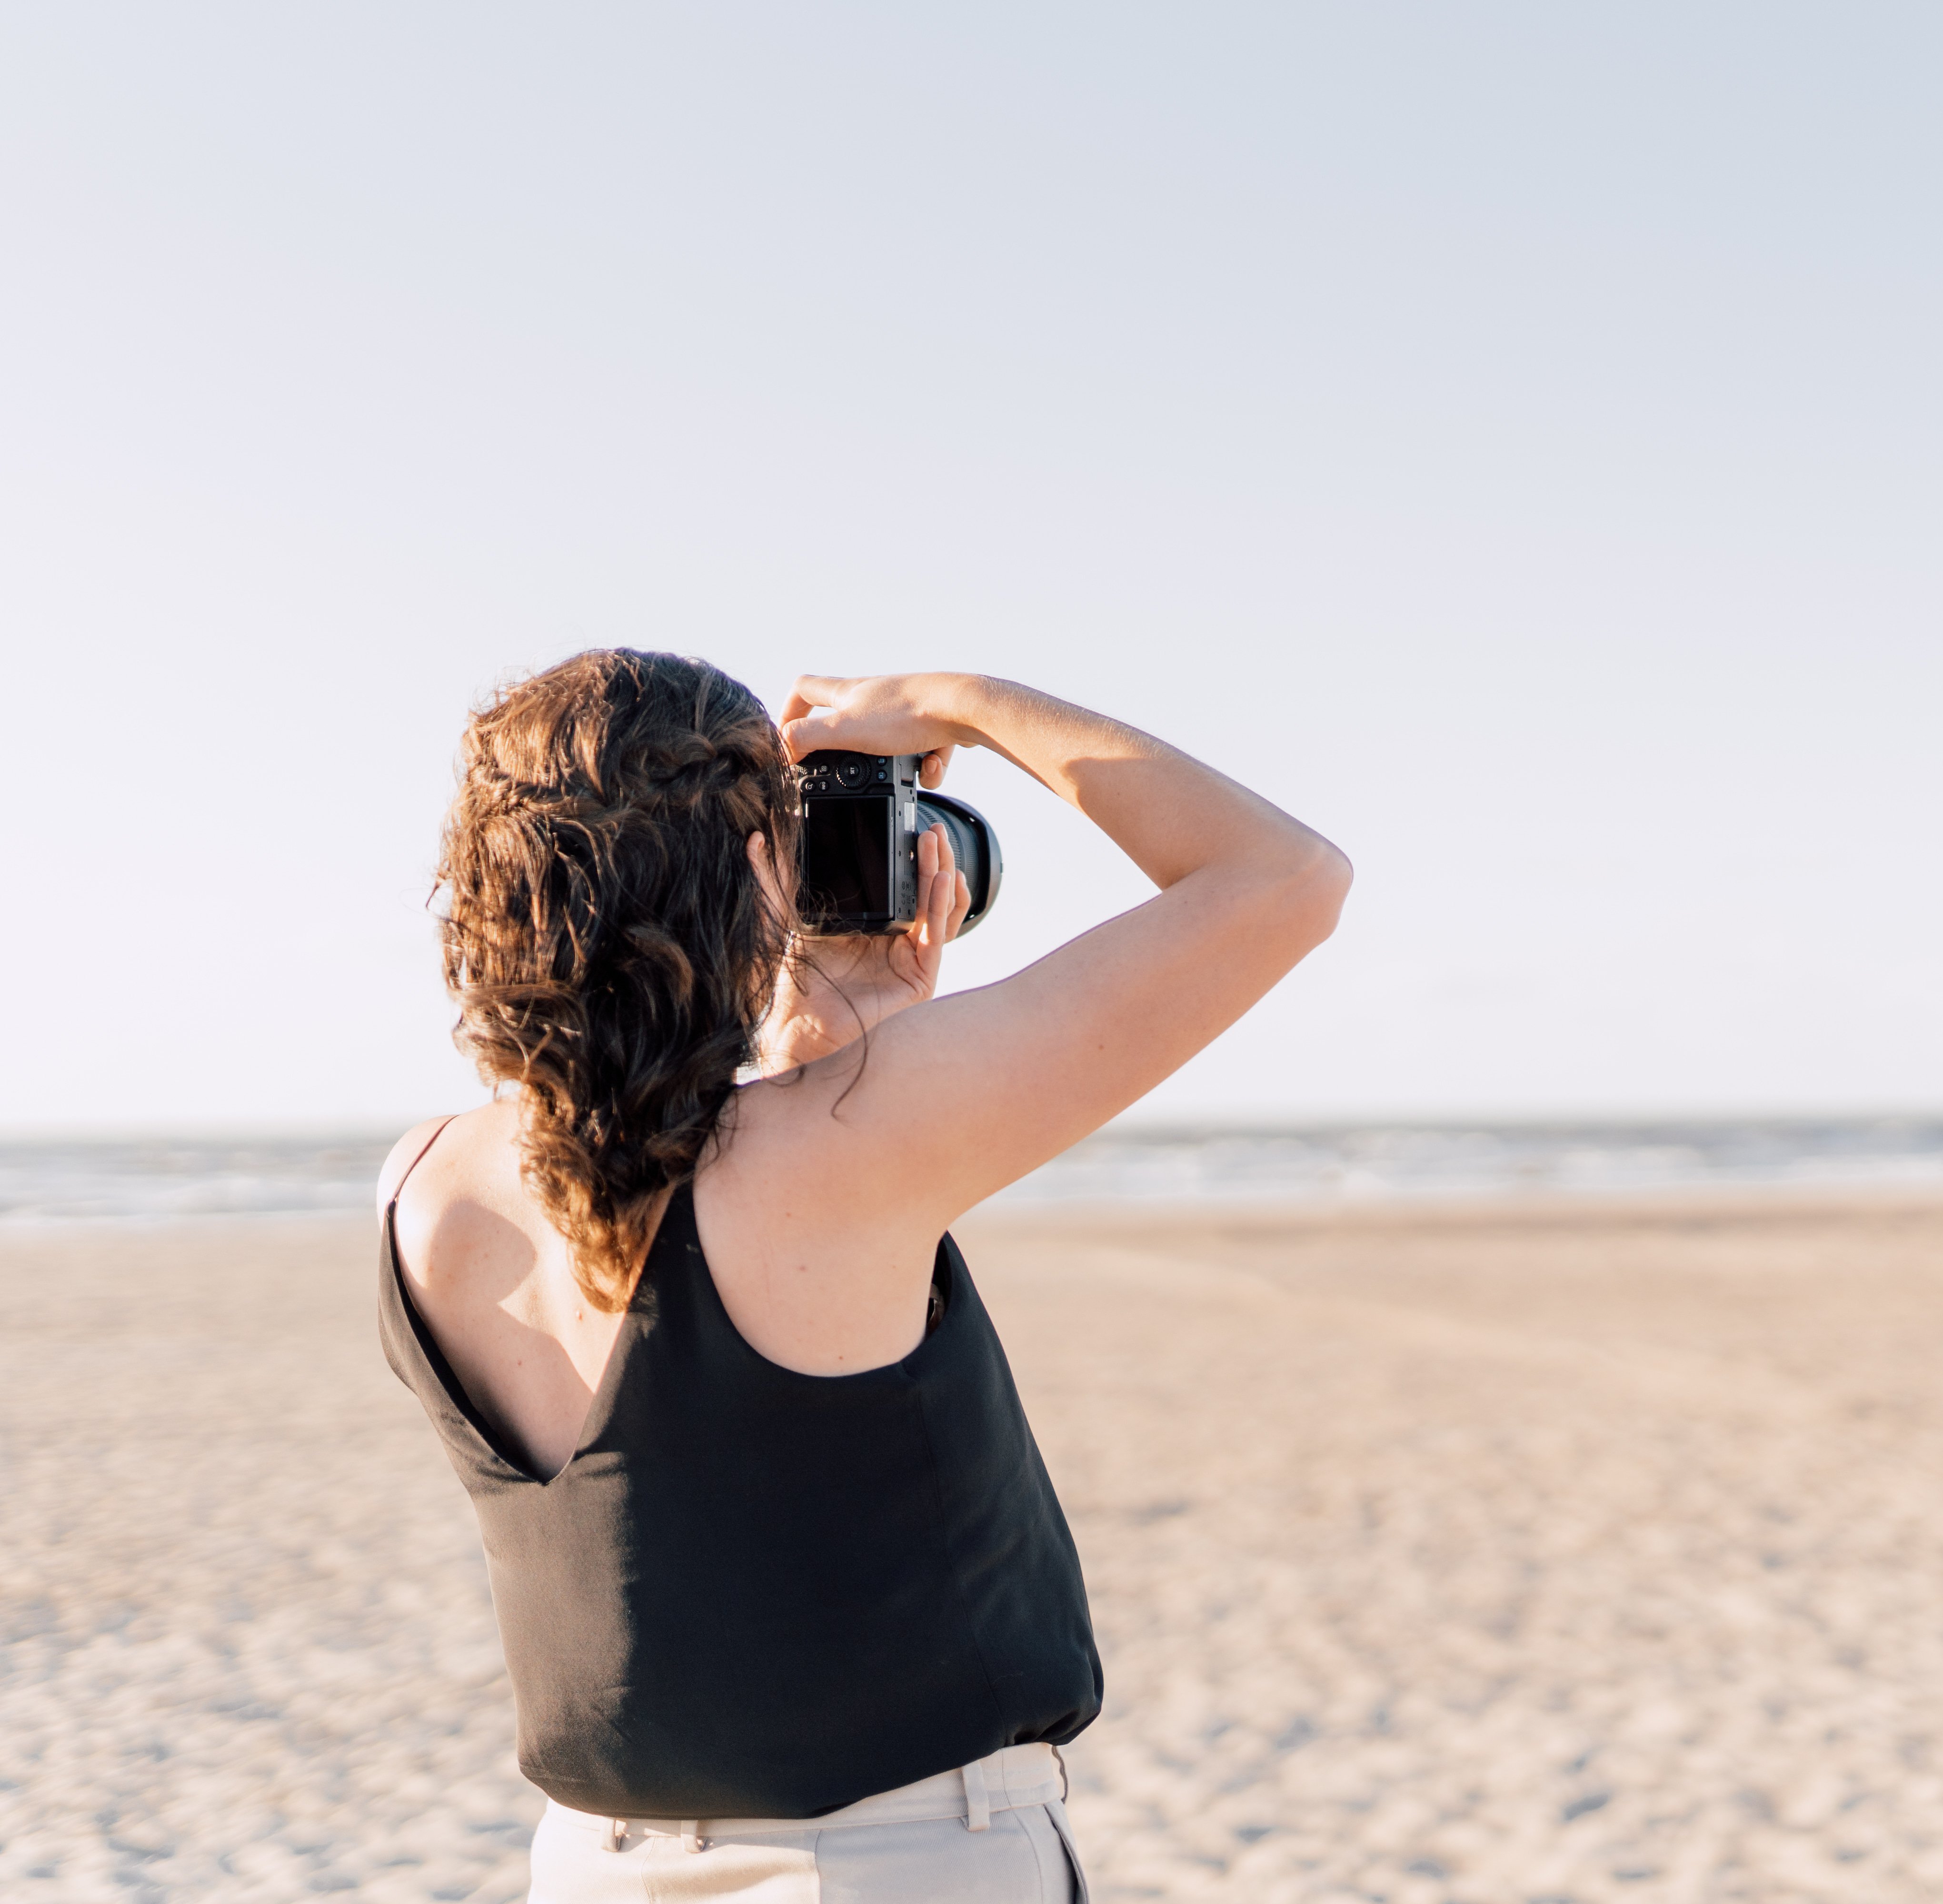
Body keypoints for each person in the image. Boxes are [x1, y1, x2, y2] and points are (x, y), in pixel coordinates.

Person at [376, 653, 1351, 1903]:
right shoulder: (847, 1144)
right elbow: (1288, 877)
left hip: (591, 1865)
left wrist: (818, 1054)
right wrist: (963, 705)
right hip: (899, 1864)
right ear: (751, 869)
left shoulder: (424, 1185)